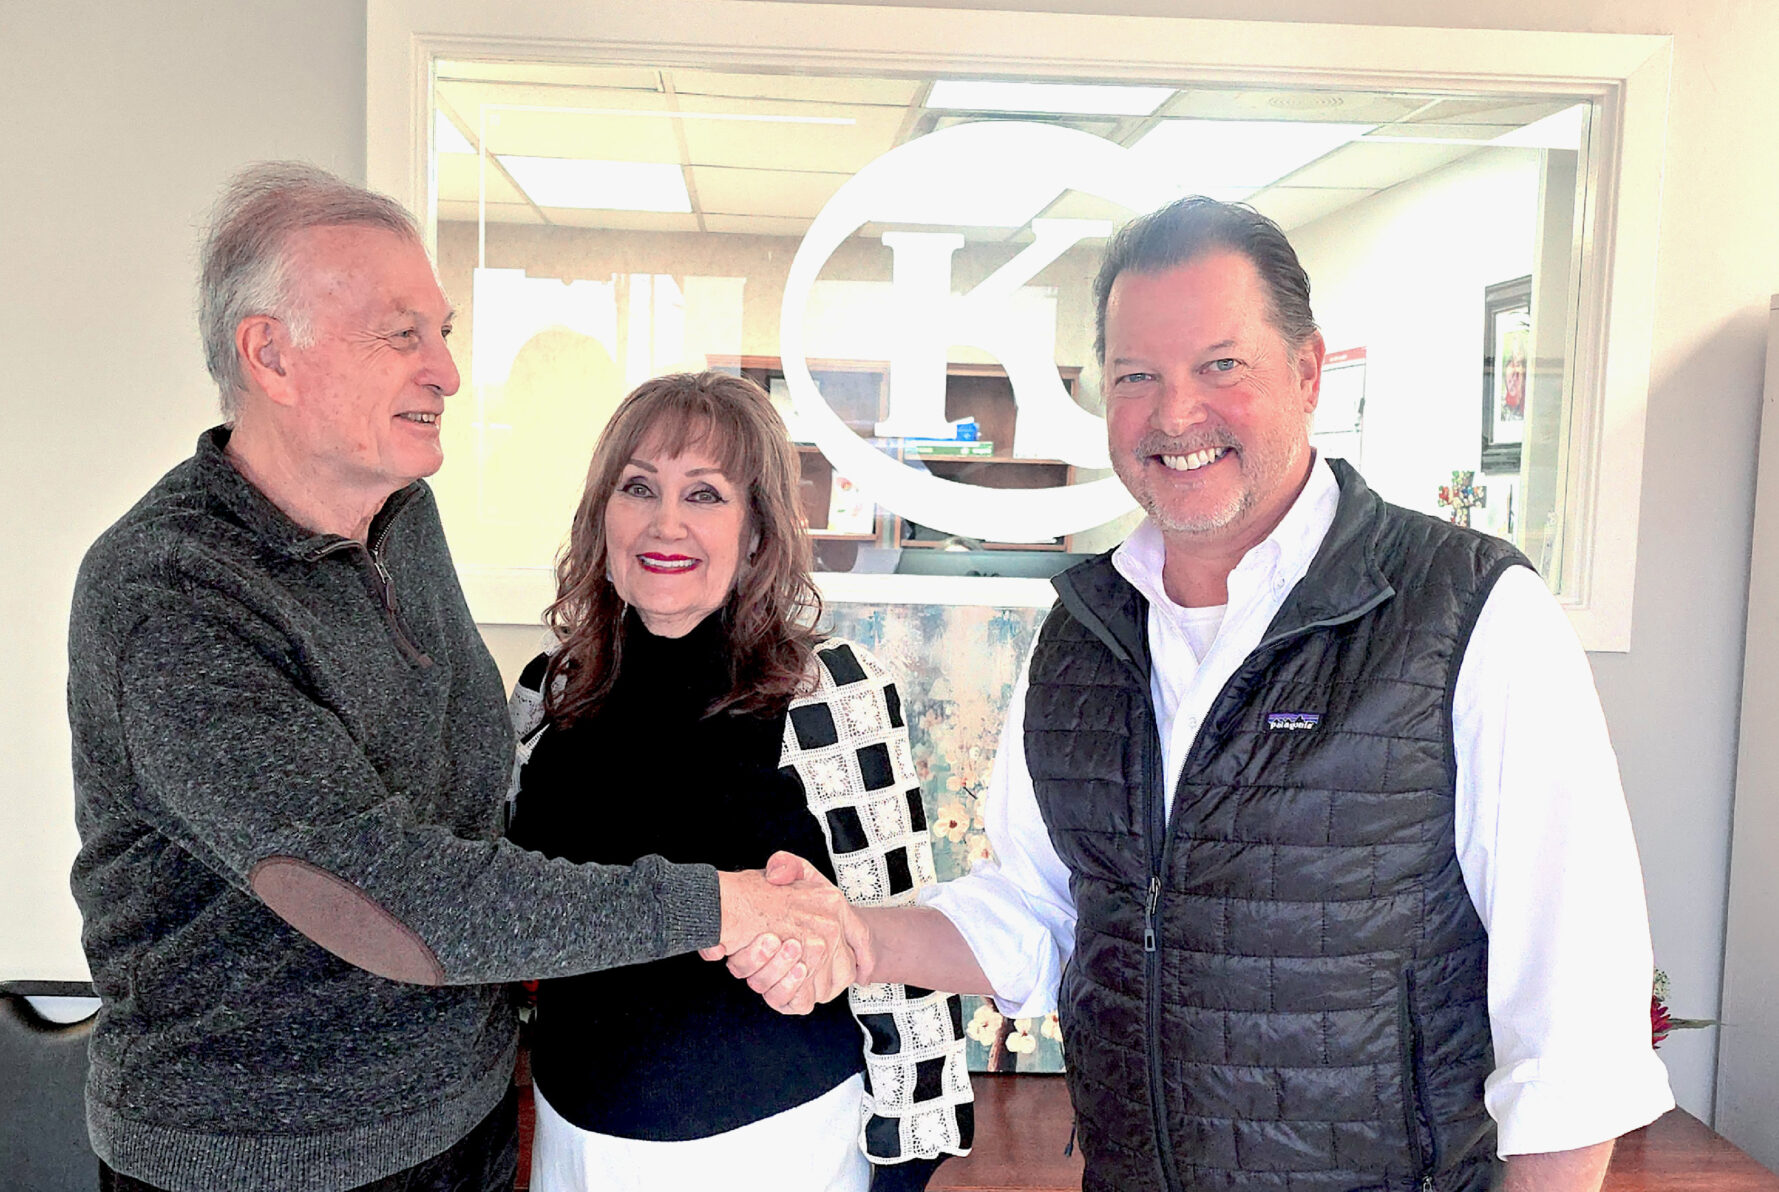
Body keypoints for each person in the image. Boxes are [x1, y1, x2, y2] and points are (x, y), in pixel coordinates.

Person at [735, 197, 1675, 1192]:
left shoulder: (1468, 613)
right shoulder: (1083, 635)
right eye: (1138, 376)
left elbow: (1574, 1029)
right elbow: (1041, 911)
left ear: (1308, 371)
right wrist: (858, 935)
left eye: (1220, 365)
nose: (1175, 414)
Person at [65, 163, 853, 1192]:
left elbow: (474, 818)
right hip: (268, 1166)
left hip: (468, 1124)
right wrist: (726, 907)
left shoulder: (401, 519)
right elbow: (397, 894)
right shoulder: (169, 594)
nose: (447, 370)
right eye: (404, 335)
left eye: (443, 332)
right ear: (271, 354)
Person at [503, 371, 972, 1192]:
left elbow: (900, 937)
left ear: (757, 532)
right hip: (573, 1138)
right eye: (638, 487)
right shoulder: (549, 690)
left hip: (778, 1144)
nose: (665, 522)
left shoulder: (830, 694)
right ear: (601, 517)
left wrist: (906, 1163)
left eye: (706, 495)